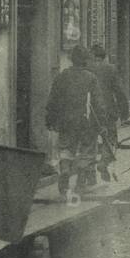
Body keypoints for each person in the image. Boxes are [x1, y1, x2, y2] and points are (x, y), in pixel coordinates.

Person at [46, 45, 104, 200]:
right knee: (86, 150)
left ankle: (65, 171)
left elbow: (52, 100)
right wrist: (101, 122)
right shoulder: (90, 77)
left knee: (65, 148)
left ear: (72, 59)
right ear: (85, 60)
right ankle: (80, 182)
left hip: (65, 120)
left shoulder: (61, 76)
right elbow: (98, 103)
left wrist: (50, 119)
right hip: (85, 121)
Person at [91, 44, 129, 182]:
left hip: (90, 111)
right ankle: (103, 162)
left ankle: (90, 177)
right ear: (104, 57)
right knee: (110, 139)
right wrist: (124, 111)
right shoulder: (110, 69)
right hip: (108, 110)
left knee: (91, 140)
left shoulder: (87, 68)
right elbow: (119, 92)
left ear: (92, 56)